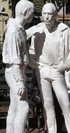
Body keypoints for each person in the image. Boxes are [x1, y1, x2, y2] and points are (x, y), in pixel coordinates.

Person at [26, 3, 70, 133]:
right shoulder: (37, 30)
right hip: (42, 70)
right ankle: (52, 130)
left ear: (55, 15)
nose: (47, 17)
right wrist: (34, 65)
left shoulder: (65, 30)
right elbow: (31, 50)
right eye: (44, 13)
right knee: (47, 105)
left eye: (50, 14)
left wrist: (65, 66)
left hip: (57, 70)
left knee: (65, 105)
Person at [2, 0, 34, 132]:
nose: (33, 14)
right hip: (15, 73)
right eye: (32, 12)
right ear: (25, 12)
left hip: (19, 71)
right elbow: (15, 59)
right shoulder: (13, 31)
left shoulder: (21, 30)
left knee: (14, 107)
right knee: (24, 107)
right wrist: (20, 82)